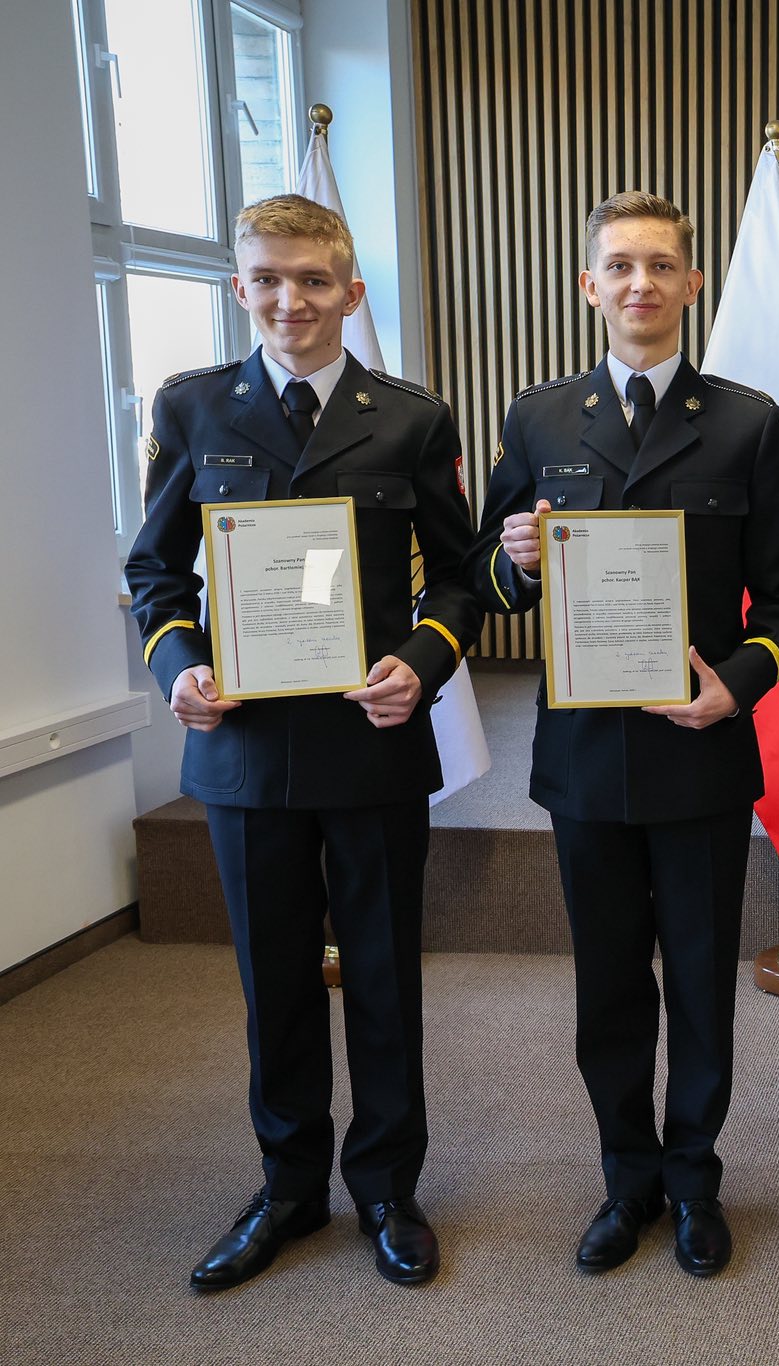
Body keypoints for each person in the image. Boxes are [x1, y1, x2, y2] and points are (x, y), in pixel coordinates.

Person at [126, 194, 481, 1290]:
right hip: (241, 754)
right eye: (269, 280)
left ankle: (385, 1187)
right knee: (273, 981)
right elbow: (154, 571)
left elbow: (464, 578)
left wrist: (420, 664)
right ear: (241, 289)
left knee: (380, 975)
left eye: (314, 281)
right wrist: (177, 664)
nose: (292, 301)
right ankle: (286, 1189)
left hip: (369, 744)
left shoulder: (413, 418)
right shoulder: (193, 409)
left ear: (350, 292)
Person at [463, 191, 779, 1277]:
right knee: (609, 985)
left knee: (701, 981)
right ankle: (626, 1181)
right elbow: (488, 582)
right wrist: (514, 560)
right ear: (588, 286)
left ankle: (695, 1182)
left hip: (700, 750)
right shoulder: (537, 419)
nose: (641, 284)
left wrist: (735, 686)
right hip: (584, 760)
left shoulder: (748, 421)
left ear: (692, 284)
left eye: (661, 265)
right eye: (619, 265)